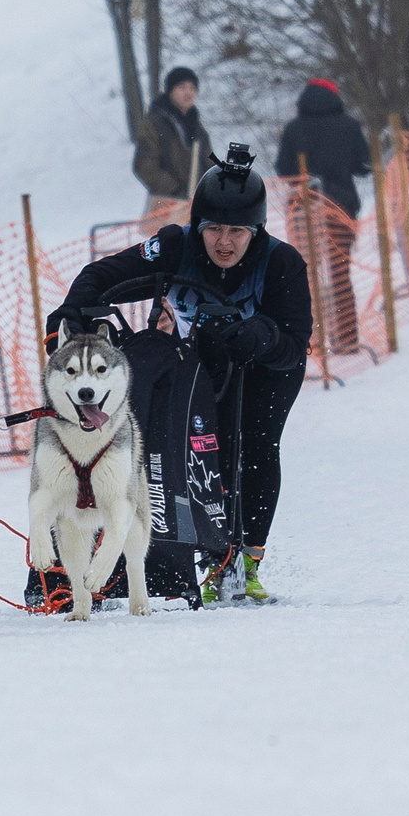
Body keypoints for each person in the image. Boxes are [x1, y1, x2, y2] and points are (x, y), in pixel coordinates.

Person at [43, 145, 314, 605]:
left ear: (257, 231)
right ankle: (162, 548)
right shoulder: (174, 244)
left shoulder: (281, 262)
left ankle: (245, 561)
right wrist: (73, 310)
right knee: (183, 445)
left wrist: (260, 336)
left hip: (267, 367)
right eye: (213, 231)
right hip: (201, 356)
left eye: (237, 232)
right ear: (198, 228)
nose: (224, 243)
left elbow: (295, 343)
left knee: (253, 443)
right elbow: (102, 273)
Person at [275, 78, 371, 354]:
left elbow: (284, 169)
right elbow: (363, 165)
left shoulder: (293, 129)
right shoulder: (349, 126)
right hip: (340, 207)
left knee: (306, 274)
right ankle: (347, 337)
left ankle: (311, 340)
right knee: (339, 272)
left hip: (303, 208)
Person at [132, 66, 213, 212]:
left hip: (197, 206)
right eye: (182, 87)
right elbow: (144, 166)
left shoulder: (197, 127)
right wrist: (176, 190)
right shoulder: (153, 123)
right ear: (170, 90)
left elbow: (209, 163)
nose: (188, 93)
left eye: (192, 88)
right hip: (165, 206)